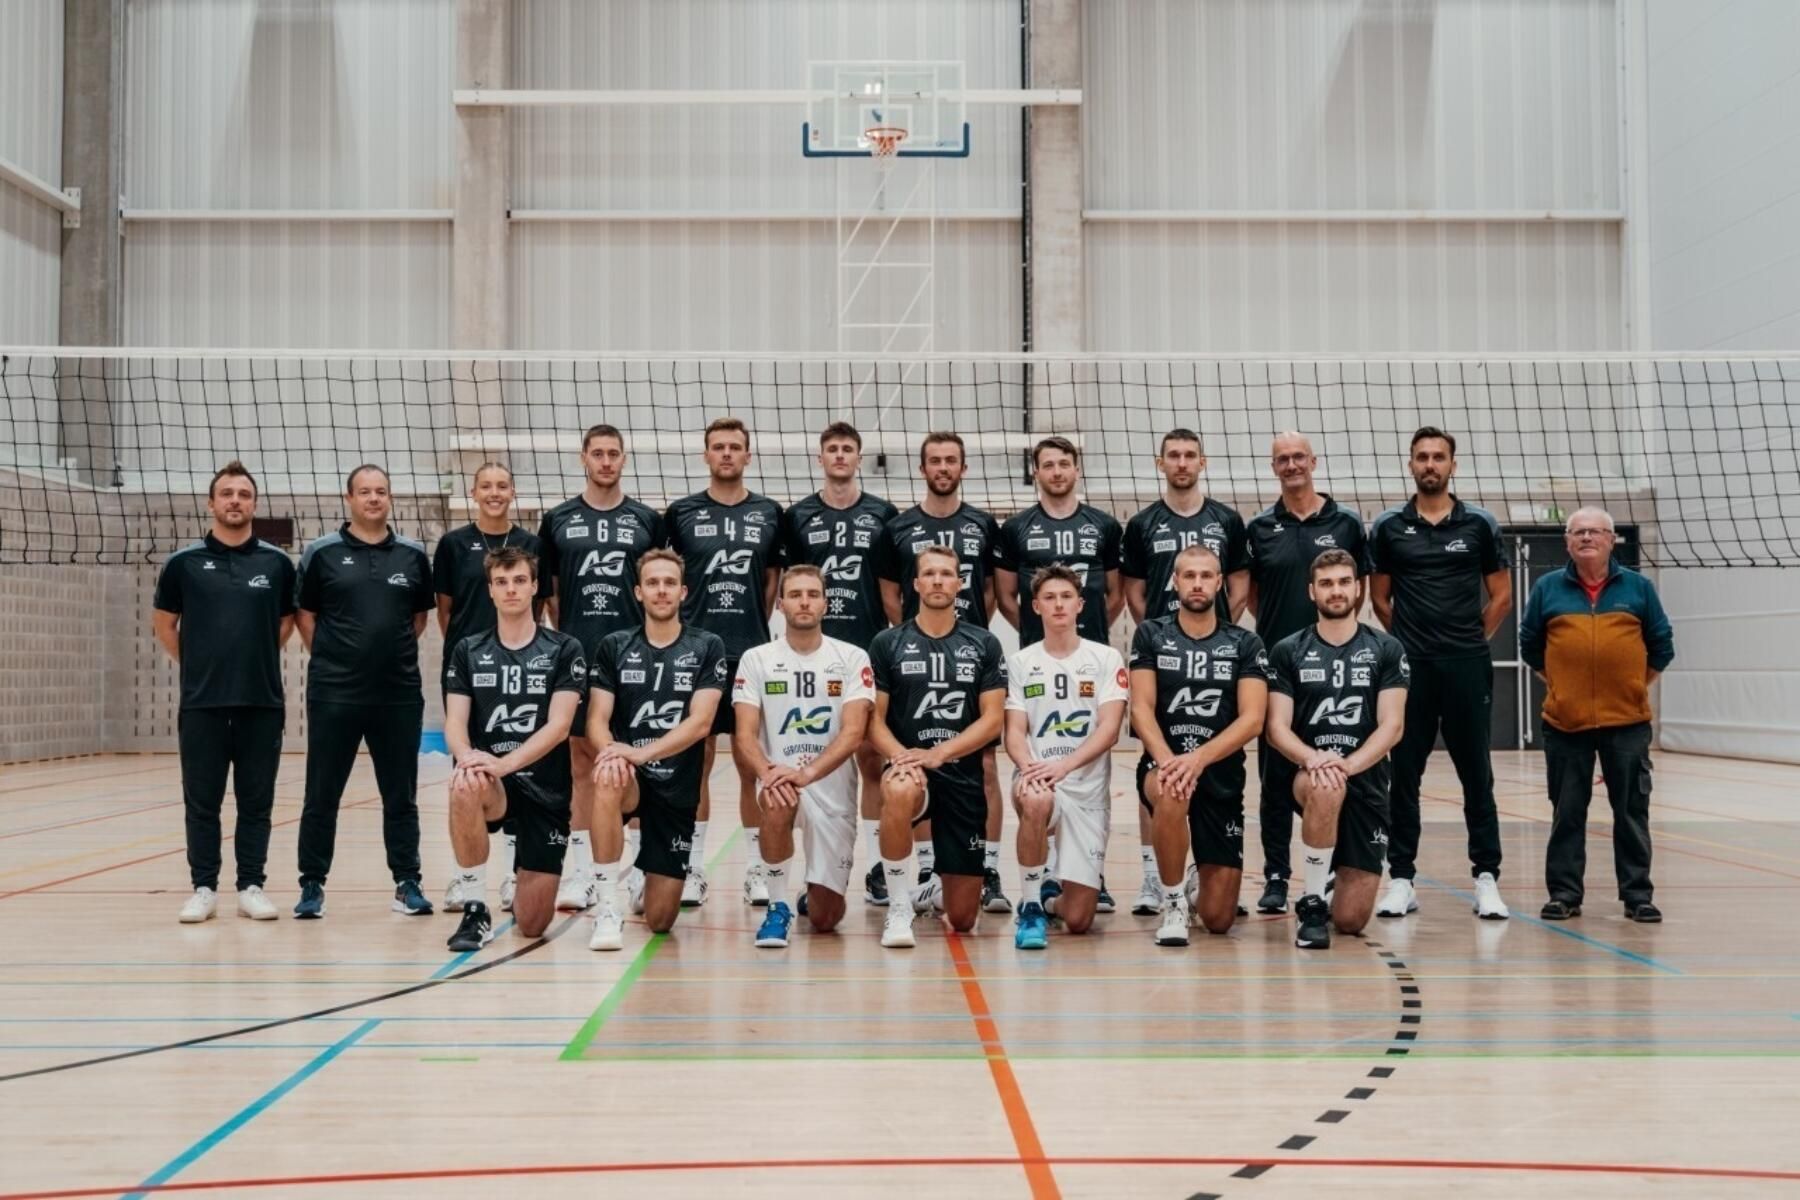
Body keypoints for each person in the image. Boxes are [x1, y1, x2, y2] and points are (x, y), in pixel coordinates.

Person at [1369, 427, 1512, 920]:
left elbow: (1501, 596)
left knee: (1477, 775)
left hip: (1466, 666)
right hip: (1410, 671)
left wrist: (1470, 639)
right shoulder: (1389, 526)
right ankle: (1401, 880)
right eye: (1422, 457)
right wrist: (1409, 644)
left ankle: (1486, 878)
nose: (1430, 464)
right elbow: (1379, 599)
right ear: (1410, 464)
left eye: (1438, 457)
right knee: (1404, 776)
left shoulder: (1480, 524)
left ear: (1453, 465)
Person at [152, 461, 296, 923]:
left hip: (261, 702)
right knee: (202, 802)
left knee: (257, 802)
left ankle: (251, 885)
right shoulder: (183, 565)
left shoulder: (277, 564)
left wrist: (250, 657)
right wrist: (201, 665)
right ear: (211, 503)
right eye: (227, 494)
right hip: (203, 704)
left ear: (254, 504)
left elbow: (285, 624)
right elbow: (165, 626)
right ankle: (204, 887)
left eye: (244, 494)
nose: (236, 501)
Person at [874, 431, 1011, 915]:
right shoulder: (898, 526)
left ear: (963, 468)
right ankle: (915, 872)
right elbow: (889, 593)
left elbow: (991, 591)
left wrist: (959, 636)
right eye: (935, 460)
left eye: (951, 460)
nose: (943, 467)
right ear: (922, 468)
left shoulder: (982, 523)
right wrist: (917, 636)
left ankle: (985, 868)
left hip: (966, 657)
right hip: (913, 649)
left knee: (985, 764)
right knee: (901, 773)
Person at [293, 464, 436, 919]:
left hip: (398, 693)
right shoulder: (321, 553)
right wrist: (336, 658)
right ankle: (312, 884)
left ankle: (407, 882)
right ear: (349, 498)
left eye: (381, 491)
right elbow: (305, 615)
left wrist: (385, 656)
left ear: (389, 497)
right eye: (365, 492)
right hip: (334, 692)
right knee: (322, 792)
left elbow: (418, 619)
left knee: (401, 795)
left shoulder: (413, 556)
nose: (374, 498)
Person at [1520, 507, 1674, 923]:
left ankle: (1638, 896)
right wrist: (1560, 684)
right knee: (1567, 813)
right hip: (1564, 724)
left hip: (1627, 724)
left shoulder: (1639, 589)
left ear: (1611, 539)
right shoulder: (1548, 588)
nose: (1587, 537)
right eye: (1579, 532)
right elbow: (1530, 645)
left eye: (1595, 531)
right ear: (1567, 541)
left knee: (1631, 813)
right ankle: (1564, 894)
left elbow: (1662, 646)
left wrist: (1634, 686)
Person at [1121, 428, 1251, 916]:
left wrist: (1215, 633)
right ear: (1161, 464)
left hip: (1216, 649)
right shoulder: (1142, 523)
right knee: (1157, 769)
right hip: (1161, 655)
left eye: (1189, 455)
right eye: (1172, 456)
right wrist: (1162, 635)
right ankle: (1155, 878)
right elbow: (1133, 591)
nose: (1181, 462)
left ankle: (1202, 871)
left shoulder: (1227, 520)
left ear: (1203, 462)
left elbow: (1240, 585)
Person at [537, 425, 665, 913]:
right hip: (579, 654)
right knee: (580, 764)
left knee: (639, 760)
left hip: (635, 658)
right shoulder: (558, 519)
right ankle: (584, 873)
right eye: (598, 453)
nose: (606, 461)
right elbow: (548, 592)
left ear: (624, 459)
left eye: (614, 454)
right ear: (584, 459)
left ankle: (638, 871)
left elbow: (659, 583)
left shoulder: (647, 520)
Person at [1245, 432, 1372, 915]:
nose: (1292, 464)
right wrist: (1284, 641)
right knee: (1275, 777)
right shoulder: (1260, 527)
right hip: (1281, 668)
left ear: (1313, 461)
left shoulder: (1346, 523)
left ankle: (1335, 867)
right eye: (1283, 459)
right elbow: (1254, 596)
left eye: (1299, 456)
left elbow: (1360, 587)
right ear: (1273, 467)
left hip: (1339, 668)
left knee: (1337, 769)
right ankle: (1277, 876)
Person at [662, 417, 784, 908]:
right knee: (697, 762)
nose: (727, 454)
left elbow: (772, 578)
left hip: (751, 653)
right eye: (719, 447)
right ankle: (692, 867)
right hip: (696, 653)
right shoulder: (681, 513)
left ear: (748, 456)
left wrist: (755, 621)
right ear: (706, 454)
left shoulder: (769, 512)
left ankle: (758, 868)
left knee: (753, 762)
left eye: (735, 447)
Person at [1264, 550, 1410, 950]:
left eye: (1344, 582)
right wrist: (1313, 759)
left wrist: (1347, 764)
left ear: (1358, 588)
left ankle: (1331, 877)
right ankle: (1312, 903)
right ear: (1312, 592)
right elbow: (1276, 728)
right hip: (1308, 774)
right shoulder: (1288, 650)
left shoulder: (1387, 648)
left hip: (1365, 777)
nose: (1336, 591)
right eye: (1326, 583)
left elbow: (1392, 726)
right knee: (1326, 786)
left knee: (1350, 921)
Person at [442, 548, 586, 950]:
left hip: (545, 791)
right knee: (464, 783)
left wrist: (503, 764)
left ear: (535, 586)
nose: (511, 590)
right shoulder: (468, 650)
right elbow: (455, 723)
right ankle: (475, 909)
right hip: (494, 785)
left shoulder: (564, 648)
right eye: (502, 582)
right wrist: (468, 759)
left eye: (520, 580)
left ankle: (523, 873)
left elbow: (559, 727)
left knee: (532, 924)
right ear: (490, 590)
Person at [584, 549, 729, 948]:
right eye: (652, 583)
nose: (661, 590)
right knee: (608, 776)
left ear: (683, 592)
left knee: (661, 921)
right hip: (630, 777)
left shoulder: (707, 645)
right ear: (638, 592)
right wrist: (612, 753)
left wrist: (641, 753)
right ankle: (607, 908)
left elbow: (701, 722)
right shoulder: (614, 645)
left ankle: (646, 875)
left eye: (669, 583)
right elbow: (596, 719)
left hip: (676, 788)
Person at [780, 422, 897, 908]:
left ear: (859, 457)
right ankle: (799, 874)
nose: (840, 456)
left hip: (865, 649)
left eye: (848, 449)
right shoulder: (798, 516)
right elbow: (787, 583)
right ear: (820, 457)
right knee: (805, 759)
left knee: (871, 758)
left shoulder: (883, 514)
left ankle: (878, 868)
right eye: (832, 449)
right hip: (812, 655)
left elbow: (891, 587)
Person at [1129, 545, 1269, 947]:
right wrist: (1170, 762)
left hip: (1220, 773)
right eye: (1188, 575)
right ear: (1174, 582)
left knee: (1219, 919)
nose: (1197, 583)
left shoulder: (1245, 643)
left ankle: (1195, 878)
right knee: (1173, 789)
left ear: (1220, 582)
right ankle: (1173, 903)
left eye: (1206, 575)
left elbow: (1253, 720)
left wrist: (1197, 760)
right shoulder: (1152, 634)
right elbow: (1140, 709)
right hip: (1164, 766)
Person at [867, 545, 1007, 948]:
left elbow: (992, 719)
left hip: (962, 776)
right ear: (915, 584)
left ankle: (930, 890)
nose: (938, 581)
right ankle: (898, 907)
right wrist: (901, 758)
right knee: (898, 788)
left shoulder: (984, 643)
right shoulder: (887, 643)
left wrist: (940, 753)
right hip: (911, 768)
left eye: (946, 574)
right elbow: (873, 721)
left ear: (960, 584)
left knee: (962, 919)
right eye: (929, 574)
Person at [732, 565, 876, 948]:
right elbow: (744, 734)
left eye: (813, 594)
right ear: (780, 604)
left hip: (831, 790)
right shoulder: (757, 658)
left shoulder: (852, 657)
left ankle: (812, 893)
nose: (805, 602)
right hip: (780, 779)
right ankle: (777, 906)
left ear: (826, 603)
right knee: (778, 800)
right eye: (795, 595)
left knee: (826, 919)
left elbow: (853, 732)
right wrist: (768, 773)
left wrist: (807, 773)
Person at [434, 461, 547, 914]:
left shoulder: (531, 543)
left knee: (520, 765)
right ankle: (464, 877)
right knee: (467, 770)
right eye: (486, 486)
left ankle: (513, 874)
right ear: (474, 492)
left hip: (522, 665)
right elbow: (445, 611)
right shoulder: (453, 544)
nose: (495, 492)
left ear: (513, 492)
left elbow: (543, 604)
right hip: (471, 669)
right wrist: (474, 655)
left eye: (502, 485)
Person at [1002, 565, 1127, 949]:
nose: (1058, 605)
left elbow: (1110, 729)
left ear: (1080, 605)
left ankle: (1049, 899)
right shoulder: (1021, 662)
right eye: (1050, 598)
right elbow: (1014, 732)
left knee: (1078, 920)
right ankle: (1030, 908)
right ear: (1035, 606)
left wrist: (1065, 766)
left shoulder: (1106, 658)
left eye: (1066, 597)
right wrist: (1029, 768)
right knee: (1036, 798)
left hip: (1086, 790)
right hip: (1039, 777)